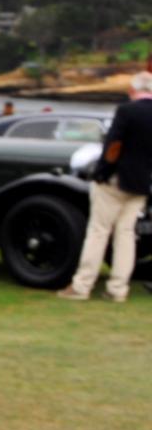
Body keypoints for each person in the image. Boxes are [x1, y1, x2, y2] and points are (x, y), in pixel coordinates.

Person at [58, 71, 152, 302]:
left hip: (116, 179)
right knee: (126, 234)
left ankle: (82, 286)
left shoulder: (127, 111)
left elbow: (113, 146)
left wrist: (101, 173)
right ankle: (118, 288)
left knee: (99, 231)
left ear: (133, 91)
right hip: (142, 182)